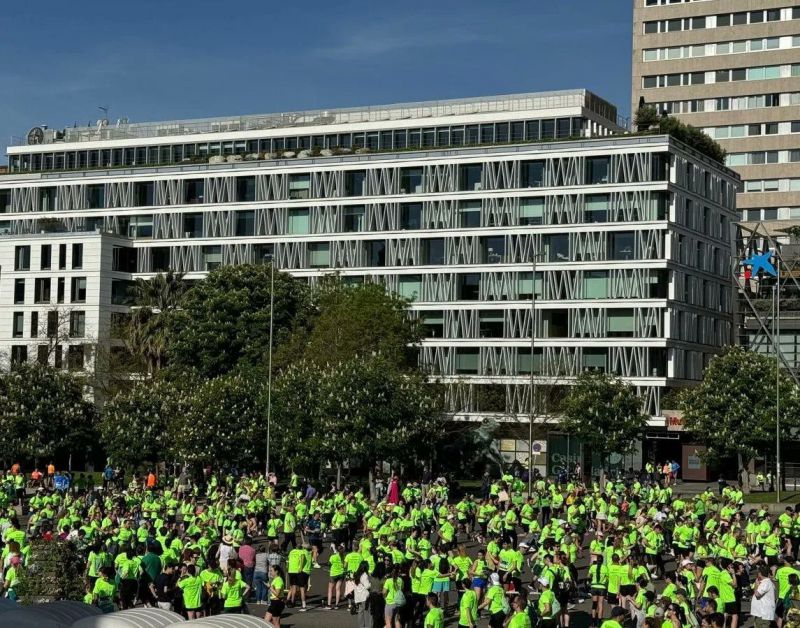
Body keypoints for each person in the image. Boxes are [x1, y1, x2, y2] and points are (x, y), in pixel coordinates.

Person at [353, 560, 372, 628]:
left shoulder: (356, 574)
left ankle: (361, 626)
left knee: (360, 613)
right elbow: (367, 586)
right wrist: (371, 583)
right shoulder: (364, 575)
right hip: (365, 597)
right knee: (367, 614)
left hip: (358, 597)